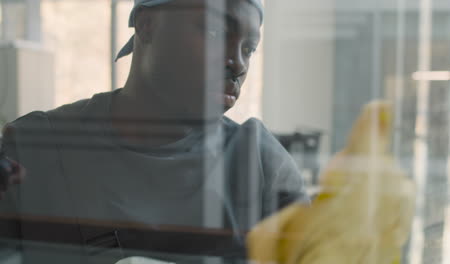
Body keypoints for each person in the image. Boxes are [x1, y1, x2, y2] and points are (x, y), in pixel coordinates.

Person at [0, 0, 309, 263]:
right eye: (215, 32)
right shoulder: (36, 150)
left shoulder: (259, 164)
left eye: (249, 48)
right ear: (147, 25)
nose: (238, 64)